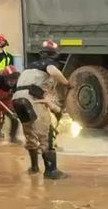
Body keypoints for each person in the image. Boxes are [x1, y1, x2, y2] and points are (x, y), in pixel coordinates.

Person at [13, 40, 69, 179]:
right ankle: (51, 171)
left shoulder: (29, 66)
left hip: (18, 99)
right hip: (33, 98)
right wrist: (67, 83)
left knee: (29, 132)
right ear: (54, 55)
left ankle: (34, 167)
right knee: (46, 134)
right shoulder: (49, 65)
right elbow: (54, 72)